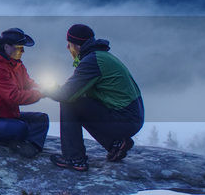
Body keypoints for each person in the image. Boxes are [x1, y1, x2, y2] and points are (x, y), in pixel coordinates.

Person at [44, 23, 143, 172]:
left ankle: (74, 158)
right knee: (81, 104)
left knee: (69, 103)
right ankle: (115, 144)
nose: (67, 48)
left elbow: (66, 94)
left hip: (125, 119)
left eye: (69, 44)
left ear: (77, 46)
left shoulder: (92, 61)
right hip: (131, 117)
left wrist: (43, 90)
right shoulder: (100, 56)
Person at [0, 27, 50, 158]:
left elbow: (27, 83)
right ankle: (18, 144)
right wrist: (40, 93)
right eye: (19, 47)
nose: (23, 51)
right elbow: (13, 97)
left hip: (8, 115)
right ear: (6, 47)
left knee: (41, 118)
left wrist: (45, 87)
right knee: (20, 127)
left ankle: (31, 148)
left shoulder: (17, 65)